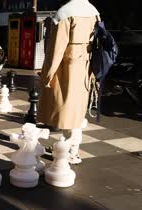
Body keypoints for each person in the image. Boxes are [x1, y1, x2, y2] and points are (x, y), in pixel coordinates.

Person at [37, 0, 100, 164]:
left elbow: (56, 49)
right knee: (77, 111)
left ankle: (67, 150)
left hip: (67, 67)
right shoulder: (93, 11)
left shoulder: (65, 12)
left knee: (66, 109)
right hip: (86, 65)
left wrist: (47, 74)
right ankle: (72, 148)